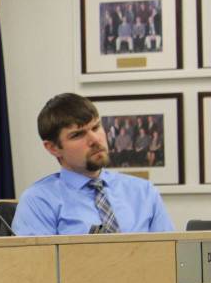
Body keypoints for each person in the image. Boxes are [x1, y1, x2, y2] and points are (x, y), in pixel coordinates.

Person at [13, 93, 173, 235]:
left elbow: (171, 258)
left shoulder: (144, 193)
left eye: (96, 127)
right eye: (77, 135)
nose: (95, 140)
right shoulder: (40, 200)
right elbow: (35, 267)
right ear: (53, 148)